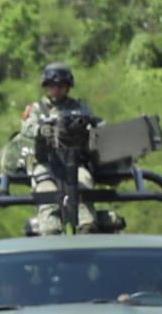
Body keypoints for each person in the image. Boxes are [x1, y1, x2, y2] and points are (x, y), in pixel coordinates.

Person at [17, 62, 102, 235]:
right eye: (52, 85)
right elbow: (26, 128)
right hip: (46, 164)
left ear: (68, 87)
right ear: (46, 86)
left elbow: (98, 127)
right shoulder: (36, 109)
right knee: (48, 206)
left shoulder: (79, 108)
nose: (57, 89)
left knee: (84, 194)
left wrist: (86, 127)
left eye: (61, 86)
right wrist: (42, 130)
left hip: (76, 163)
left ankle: (86, 233)